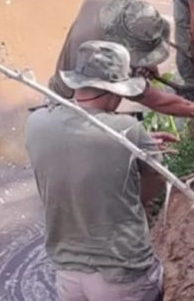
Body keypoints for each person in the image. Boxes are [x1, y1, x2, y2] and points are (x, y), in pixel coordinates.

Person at [26, 40, 170, 301]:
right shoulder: (128, 128)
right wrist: (137, 203)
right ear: (114, 91)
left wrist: (135, 141)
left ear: (78, 83)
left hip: (67, 273)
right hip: (123, 273)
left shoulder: (36, 122)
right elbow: (157, 177)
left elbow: (74, 148)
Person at [49, 0, 194, 125]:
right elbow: (156, 100)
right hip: (68, 99)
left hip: (82, 74)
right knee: (100, 129)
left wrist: (147, 61)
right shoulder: (104, 55)